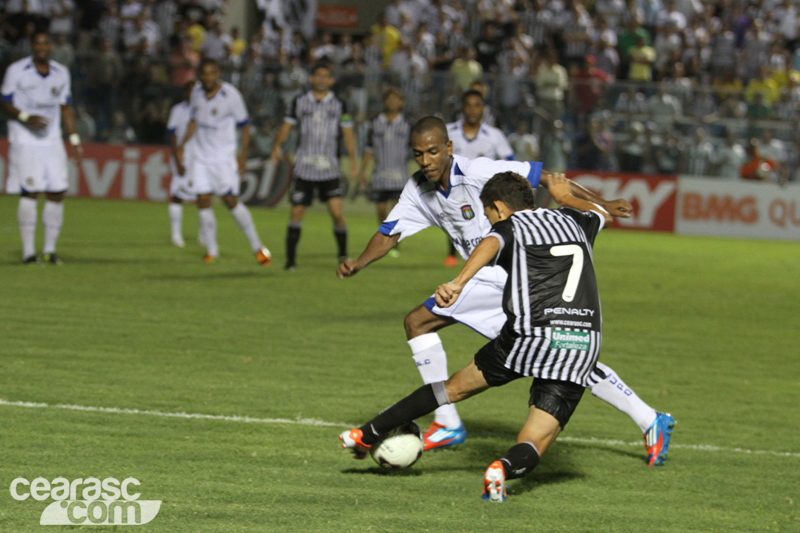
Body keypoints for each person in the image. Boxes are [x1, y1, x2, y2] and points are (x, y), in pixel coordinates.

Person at [337, 117, 675, 466]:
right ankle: (648, 418)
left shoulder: (480, 170)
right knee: (555, 351)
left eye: (433, 152)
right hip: (485, 280)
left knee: (555, 353)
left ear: (448, 149)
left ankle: (448, 422)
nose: (425, 161)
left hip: (509, 278)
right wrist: (360, 262)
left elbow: (547, 177)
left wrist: (600, 199)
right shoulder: (418, 189)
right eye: (418, 154)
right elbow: (391, 231)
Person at [176, 58, 271, 265]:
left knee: (230, 201)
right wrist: (183, 144)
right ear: (200, 75)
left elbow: (245, 127)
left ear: (218, 74)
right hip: (201, 158)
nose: (208, 77)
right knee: (202, 200)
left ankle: (258, 248)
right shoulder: (196, 94)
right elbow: (193, 121)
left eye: (212, 73)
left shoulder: (231, 95)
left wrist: (243, 155)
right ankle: (212, 251)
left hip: (223, 159)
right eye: (204, 73)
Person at [1, 31, 82, 264]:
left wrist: (74, 140)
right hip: (24, 138)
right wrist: (26, 117)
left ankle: (49, 251)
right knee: (31, 190)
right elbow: (5, 101)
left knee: (57, 191)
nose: (42, 47)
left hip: (52, 138)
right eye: (37, 42)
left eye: (46, 42)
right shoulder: (17, 70)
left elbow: (66, 108)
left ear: (51, 46)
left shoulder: (61, 73)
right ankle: (28, 253)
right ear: (31, 46)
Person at [269, 61, 358, 271]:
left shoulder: (339, 104)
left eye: (325, 76)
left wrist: (353, 160)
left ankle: (342, 255)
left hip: (329, 168)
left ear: (331, 80)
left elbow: (348, 133)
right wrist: (276, 145)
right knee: (297, 212)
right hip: (304, 168)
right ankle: (290, 261)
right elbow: (286, 126)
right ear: (311, 78)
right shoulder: (299, 102)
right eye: (317, 75)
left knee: (337, 214)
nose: (321, 79)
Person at [444, 89, 514, 266]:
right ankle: (453, 255)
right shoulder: (448, 132)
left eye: (477, 105)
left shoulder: (494, 135)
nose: (472, 110)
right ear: (462, 108)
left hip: (486, 196)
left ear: (483, 108)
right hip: (457, 193)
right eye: (468, 105)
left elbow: (509, 161)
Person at [357, 87, 411, 234]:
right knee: (381, 210)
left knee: (396, 209)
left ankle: (395, 238)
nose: (392, 102)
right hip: (380, 175)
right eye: (389, 99)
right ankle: (386, 236)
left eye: (395, 99)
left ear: (401, 103)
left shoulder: (407, 124)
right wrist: (363, 172)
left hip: (399, 175)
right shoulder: (375, 123)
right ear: (384, 102)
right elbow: (369, 149)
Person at [166, 81, 200, 248]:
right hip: (183, 156)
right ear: (185, 92)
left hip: (201, 158)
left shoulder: (205, 109)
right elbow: (172, 136)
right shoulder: (178, 110)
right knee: (177, 195)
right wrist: (177, 159)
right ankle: (176, 235)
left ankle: (204, 236)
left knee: (203, 196)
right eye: (190, 90)